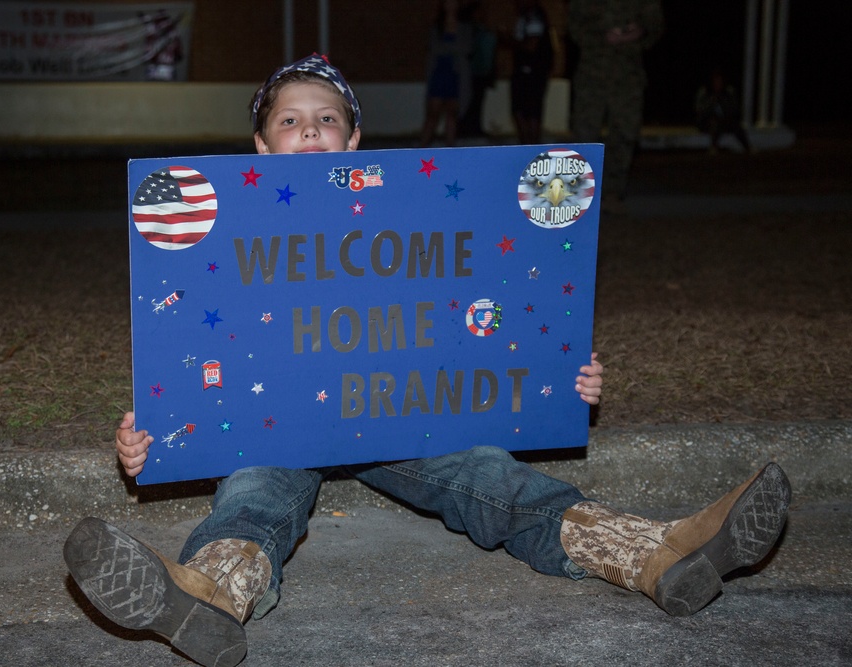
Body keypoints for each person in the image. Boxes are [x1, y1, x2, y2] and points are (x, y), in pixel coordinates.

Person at [64, 54, 791, 667]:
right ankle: (211, 592)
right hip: (276, 424)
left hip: (398, 412)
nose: (308, 128)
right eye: (289, 119)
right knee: (255, 495)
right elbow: (188, 346)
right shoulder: (218, 231)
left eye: (326, 118)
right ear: (261, 146)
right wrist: (154, 436)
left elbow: (488, 309)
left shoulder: (410, 213)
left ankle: (654, 553)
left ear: (353, 141)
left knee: (491, 480)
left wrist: (558, 376)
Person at [568, 0, 664, 209]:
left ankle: (613, 192)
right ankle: (580, 195)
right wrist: (603, 38)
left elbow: (655, 27)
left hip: (627, 75)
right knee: (585, 134)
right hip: (592, 74)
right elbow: (574, 26)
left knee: (624, 134)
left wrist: (636, 34)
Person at [419, 0, 473, 147]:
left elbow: (466, 49)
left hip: (456, 75)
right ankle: (420, 150)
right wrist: (452, 50)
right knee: (433, 113)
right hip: (439, 72)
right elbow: (434, 49)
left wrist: (450, 50)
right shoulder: (436, 27)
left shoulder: (465, 27)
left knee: (452, 114)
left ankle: (450, 149)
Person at [507, 0, 554, 144]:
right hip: (523, 72)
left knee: (531, 111)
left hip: (533, 73)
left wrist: (509, 41)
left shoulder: (534, 16)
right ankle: (525, 145)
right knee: (519, 110)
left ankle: (532, 147)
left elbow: (531, 45)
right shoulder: (524, 16)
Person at [458, 1, 498, 139]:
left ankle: (475, 127)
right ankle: (466, 128)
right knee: (470, 101)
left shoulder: (482, 30)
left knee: (478, 101)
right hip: (473, 72)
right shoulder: (471, 30)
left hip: (482, 72)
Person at [695, 66, 753, 154]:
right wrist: (711, 102)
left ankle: (748, 148)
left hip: (724, 121)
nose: (718, 84)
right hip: (706, 122)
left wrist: (723, 103)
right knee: (714, 122)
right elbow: (699, 110)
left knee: (735, 125)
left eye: (720, 82)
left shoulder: (728, 92)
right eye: (716, 82)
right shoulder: (704, 92)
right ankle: (713, 147)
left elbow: (734, 109)